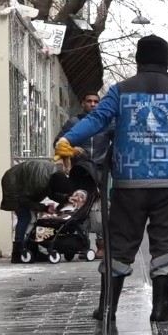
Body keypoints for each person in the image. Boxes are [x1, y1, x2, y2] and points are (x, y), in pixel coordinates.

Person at [55, 35, 168, 322]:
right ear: (166, 60)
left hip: (128, 183)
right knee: (167, 243)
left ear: (138, 60)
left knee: (120, 243)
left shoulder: (120, 92)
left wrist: (67, 139)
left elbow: (97, 120)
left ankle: (108, 308)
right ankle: (161, 308)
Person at [56, 91, 114, 259]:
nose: (93, 104)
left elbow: (118, 141)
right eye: (89, 101)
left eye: (96, 101)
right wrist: (72, 150)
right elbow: (58, 142)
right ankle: (82, 243)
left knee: (102, 208)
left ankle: (102, 245)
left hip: (101, 170)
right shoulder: (73, 123)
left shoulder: (107, 123)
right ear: (83, 103)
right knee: (80, 205)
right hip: (80, 170)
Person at [0, 159, 75, 263]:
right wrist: (44, 208)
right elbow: (24, 201)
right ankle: (17, 253)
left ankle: (31, 250)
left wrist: (66, 199)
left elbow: (51, 192)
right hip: (13, 184)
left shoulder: (53, 175)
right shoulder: (41, 182)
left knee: (32, 218)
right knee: (25, 217)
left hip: (21, 180)